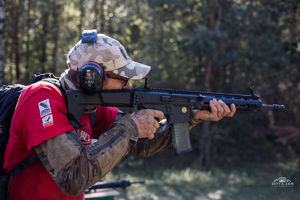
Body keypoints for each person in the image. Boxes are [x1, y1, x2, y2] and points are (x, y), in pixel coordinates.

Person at [3, 31, 236, 199]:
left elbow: (143, 144)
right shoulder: (41, 98)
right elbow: (73, 178)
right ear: (92, 77)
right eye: (123, 80)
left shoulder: (91, 108)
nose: (127, 87)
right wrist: (129, 126)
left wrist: (192, 116)